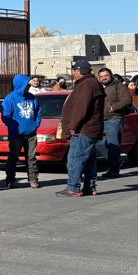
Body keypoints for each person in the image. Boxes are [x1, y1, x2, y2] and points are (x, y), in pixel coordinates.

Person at [57, 60, 105, 197]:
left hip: (84, 129)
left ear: (81, 71)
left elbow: (81, 108)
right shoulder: (92, 83)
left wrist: (73, 126)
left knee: (75, 158)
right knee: (89, 159)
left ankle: (73, 187)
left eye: (75, 71)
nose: (73, 73)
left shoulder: (86, 85)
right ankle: (90, 187)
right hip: (90, 128)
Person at [0, 73, 42, 189]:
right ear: (20, 85)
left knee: (31, 157)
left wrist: (36, 125)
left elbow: (38, 112)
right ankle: (10, 179)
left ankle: (33, 178)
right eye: (26, 85)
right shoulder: (10, 98)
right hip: (16, 134)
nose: (28, 87)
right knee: (13, 157)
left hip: (31, 133)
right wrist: (14, 128)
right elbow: (5, 116)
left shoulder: (32, 97)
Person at [97, 68, 132, 179]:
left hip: (114, 119)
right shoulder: (98, 87)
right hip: (100, 120)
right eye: (101, 76)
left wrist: (114, 107)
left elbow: (127, 100)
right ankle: (116, 161)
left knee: (113, 145)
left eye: (106, 75)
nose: (104, 78)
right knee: (98, 142)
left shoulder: (119, 86)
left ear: (111, 75)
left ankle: (113, 170)